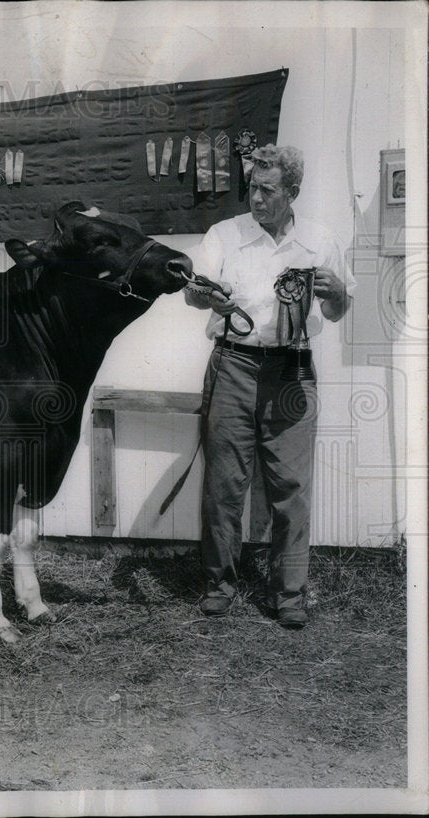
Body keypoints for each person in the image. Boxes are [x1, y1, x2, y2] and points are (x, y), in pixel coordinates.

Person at [185, 143, 354, 629]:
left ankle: (290, 594)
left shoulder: (319, 240)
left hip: (292, 372)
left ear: (293, 192)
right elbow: (194, 295)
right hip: (233, 367)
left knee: (293, 488)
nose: (256, 199)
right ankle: (219, 585)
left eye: (268, 190)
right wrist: (204, 298)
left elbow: (336, 311)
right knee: (224, 487)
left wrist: (339, 292)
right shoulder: (223, 234)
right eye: (252, 188)